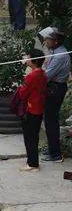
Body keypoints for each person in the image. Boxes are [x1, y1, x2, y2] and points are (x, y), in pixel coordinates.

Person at [40, 27, 70, 163]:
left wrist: (34, 72)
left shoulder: (59, 56)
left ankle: (55, 155)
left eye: (48, 39)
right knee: (49, 120)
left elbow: (46, 75)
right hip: (54, 87)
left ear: (55, 41)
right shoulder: (55, 52)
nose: (45, 41)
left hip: (55, 89)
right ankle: (52, 149)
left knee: (51, 121)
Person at [15, 52, 47, 172]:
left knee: (30, 137)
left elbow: (23, 93)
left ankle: (32, 163)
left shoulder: (32, 76)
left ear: (34, 61)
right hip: (38, 107)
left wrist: (21, 86)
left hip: (31, 108)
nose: (26, 60)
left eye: (29, 58)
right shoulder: (42, 74)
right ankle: (33, 161)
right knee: (34, 136)